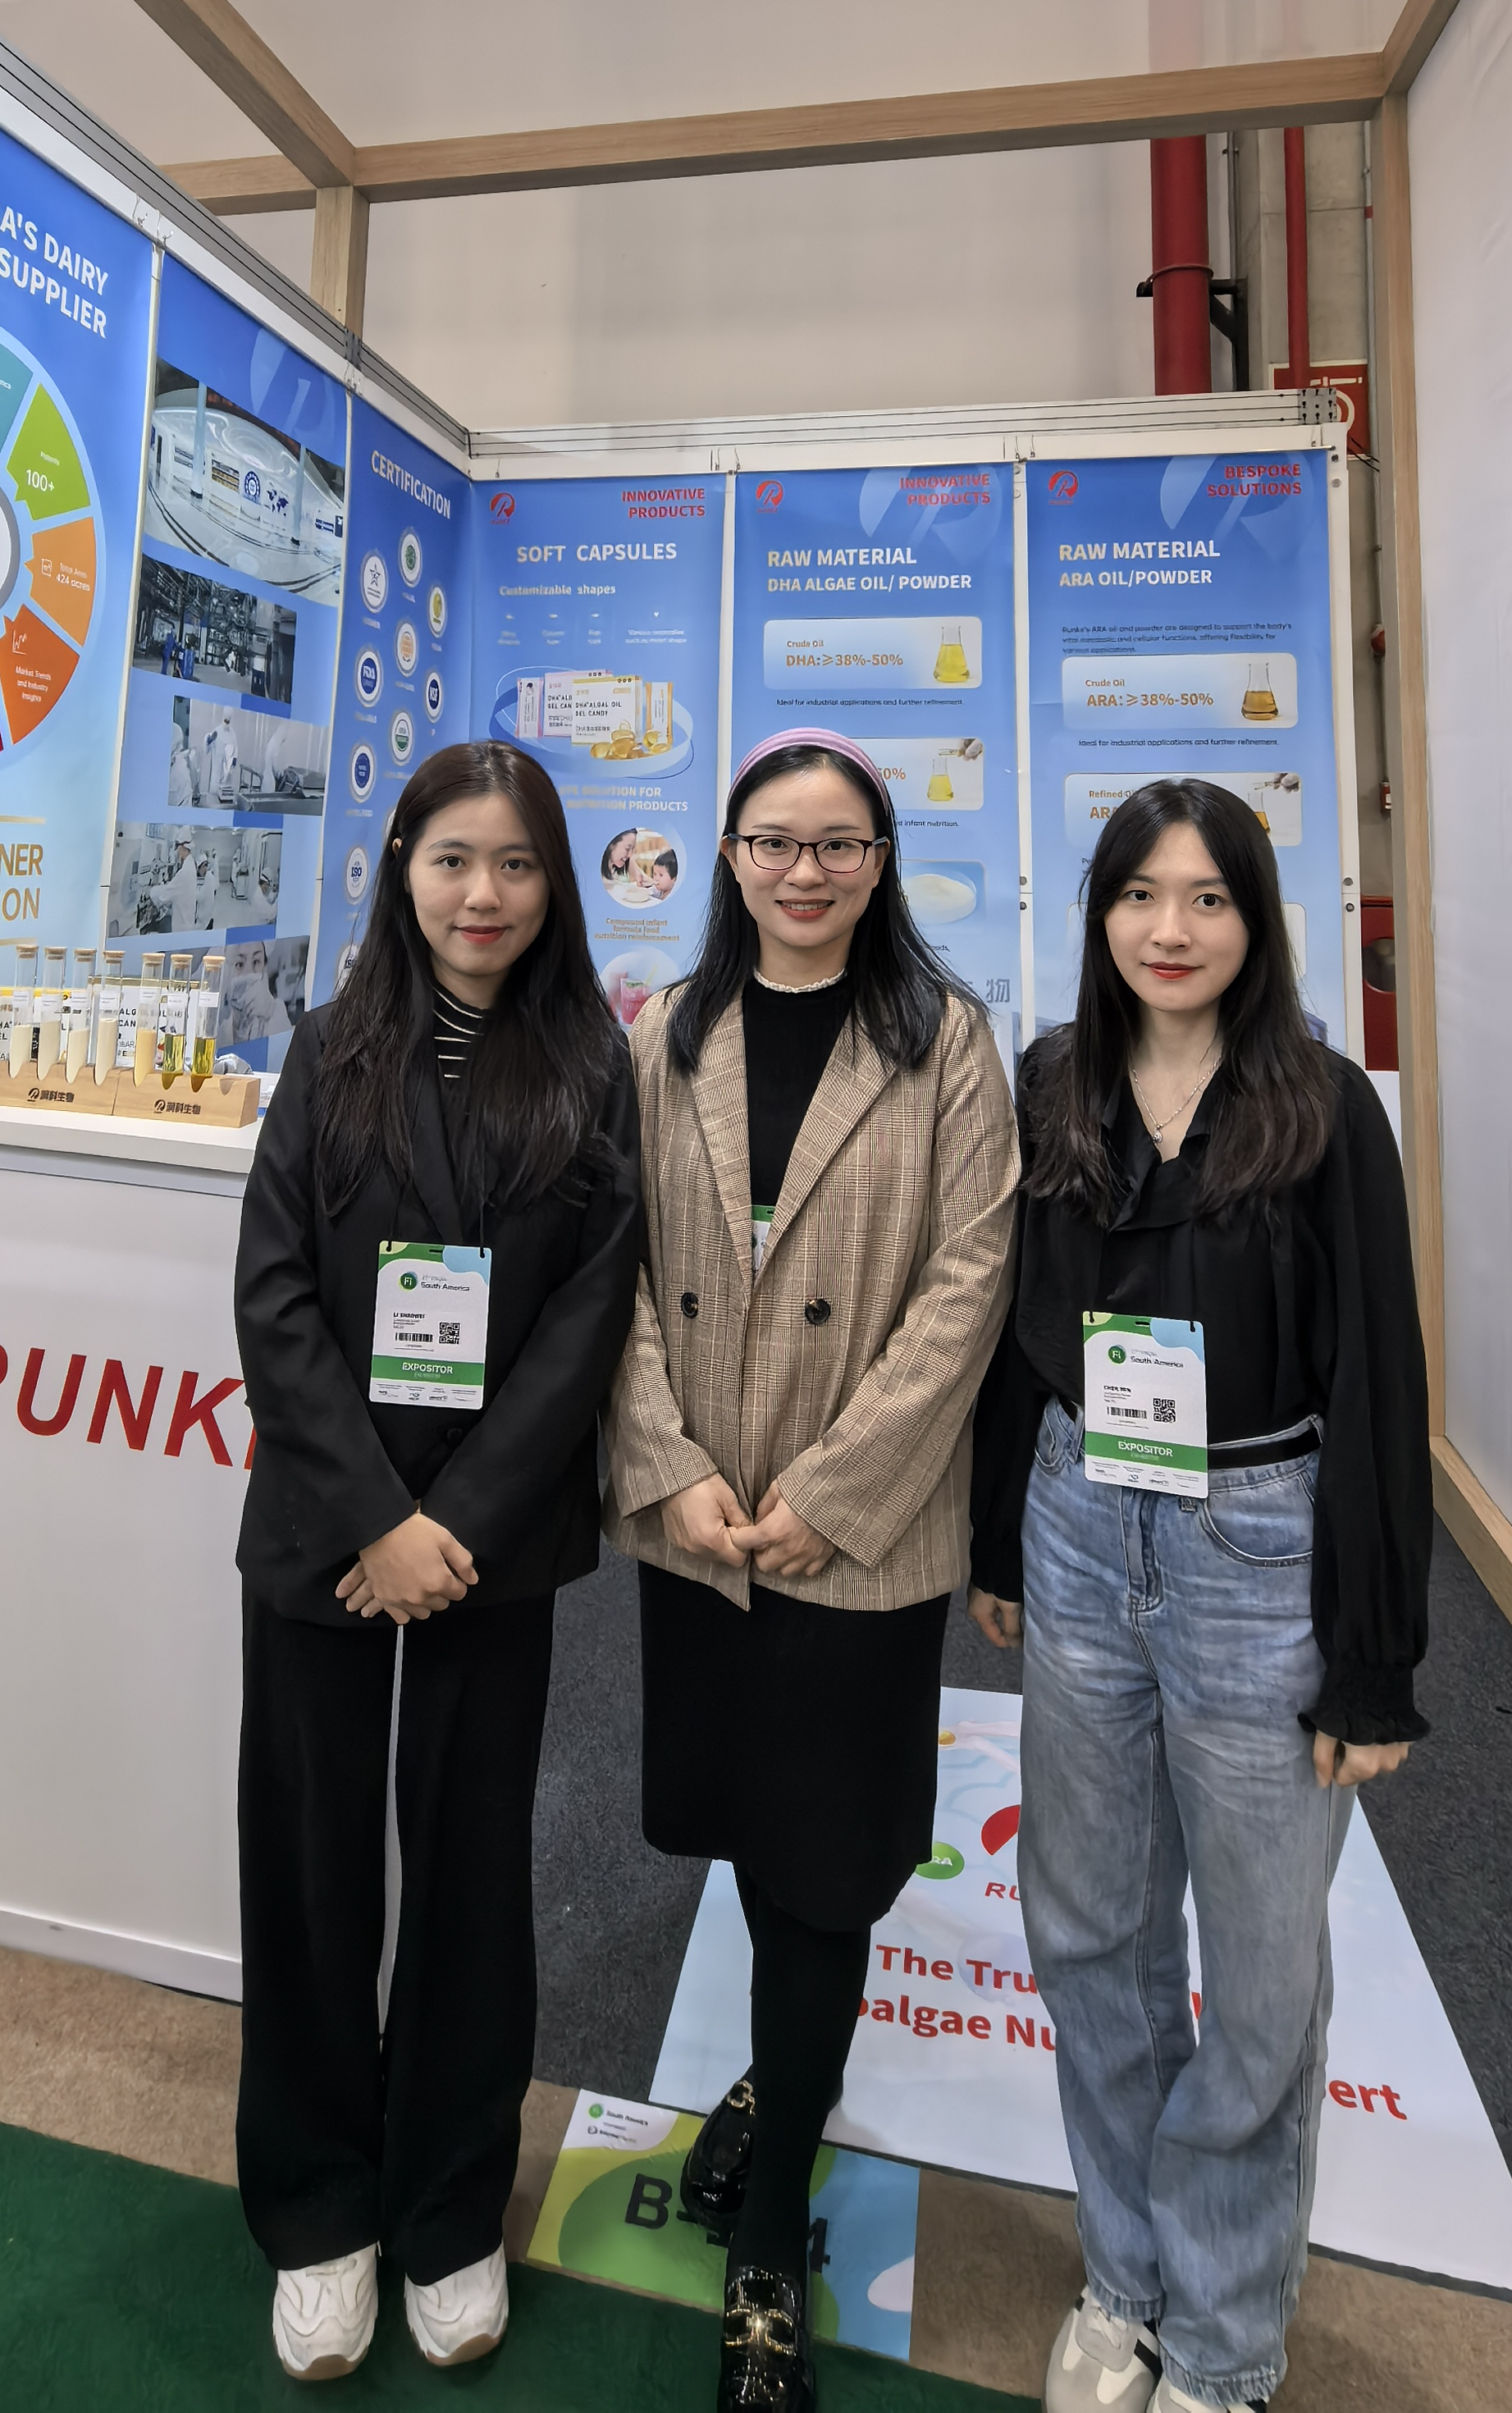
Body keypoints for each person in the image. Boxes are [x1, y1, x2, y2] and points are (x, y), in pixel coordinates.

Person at [967, 781, 1430, 2413]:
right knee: (1089, 1930)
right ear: (1099, 913)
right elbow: (1018, 1330)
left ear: (1256, 919)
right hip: (1081, 1522)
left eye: (1208, 899)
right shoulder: (1055, 1086)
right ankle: (1129, 2280)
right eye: (1139, 896)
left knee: (1261, 1975)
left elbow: (1380, 1381)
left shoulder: (1321, 1106)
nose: (1171, 930)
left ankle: (1224, 2344)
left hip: (1260, 1547)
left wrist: (1372, 1661)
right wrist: (1000, 1543)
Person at [606, 728, 1016, 2413]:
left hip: (863, 1535)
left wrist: (836, 1495)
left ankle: (772, 2231)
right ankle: (785, 2075)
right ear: (727, 855)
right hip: (705, 1528)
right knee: (745, 1830)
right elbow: (618, 1276)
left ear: (881, 861)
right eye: (773, 841)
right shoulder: (666, 1032)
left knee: (829, 1869)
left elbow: (969, 1289)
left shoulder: (946, 1040)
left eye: (839, 843)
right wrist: (673, 1467)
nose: (804, 870)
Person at [233, 741, 642, 2382]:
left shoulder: (592, 1066)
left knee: (472, 1873)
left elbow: (588, 1319)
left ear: (555, 885)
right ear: (401, 865)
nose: (485, 894)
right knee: (310, 1864)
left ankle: (449, 2207)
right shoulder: (330, 1049)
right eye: (454, 858)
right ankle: (318, 2210)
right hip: (327, 1528)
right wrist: (372, 1518)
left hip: (492, 1541)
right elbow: (273, 1292)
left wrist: (452, 1525)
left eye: (518, 864)